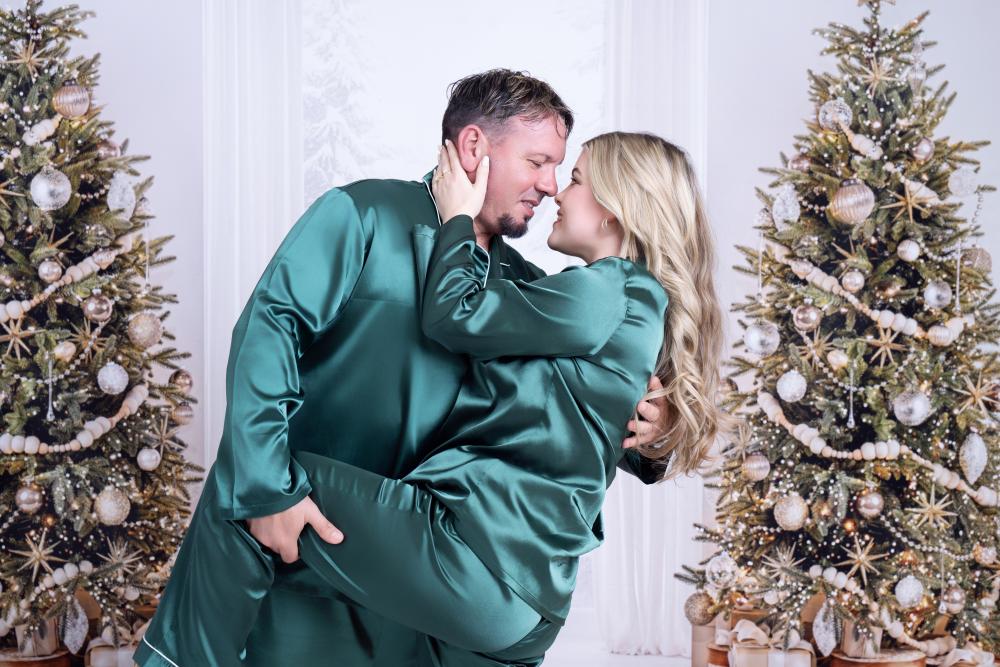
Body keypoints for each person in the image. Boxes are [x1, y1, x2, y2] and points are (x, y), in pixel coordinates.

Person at [133, 70, 670, 667]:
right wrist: (266, 488)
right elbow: (269, 333)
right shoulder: (363, 214)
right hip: (313, 541)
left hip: (427, 575)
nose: (549, 186)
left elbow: (568, 411)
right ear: (475, 147)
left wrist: (653, 430)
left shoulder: (524, 285)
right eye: (538, 162)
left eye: (560, 169)